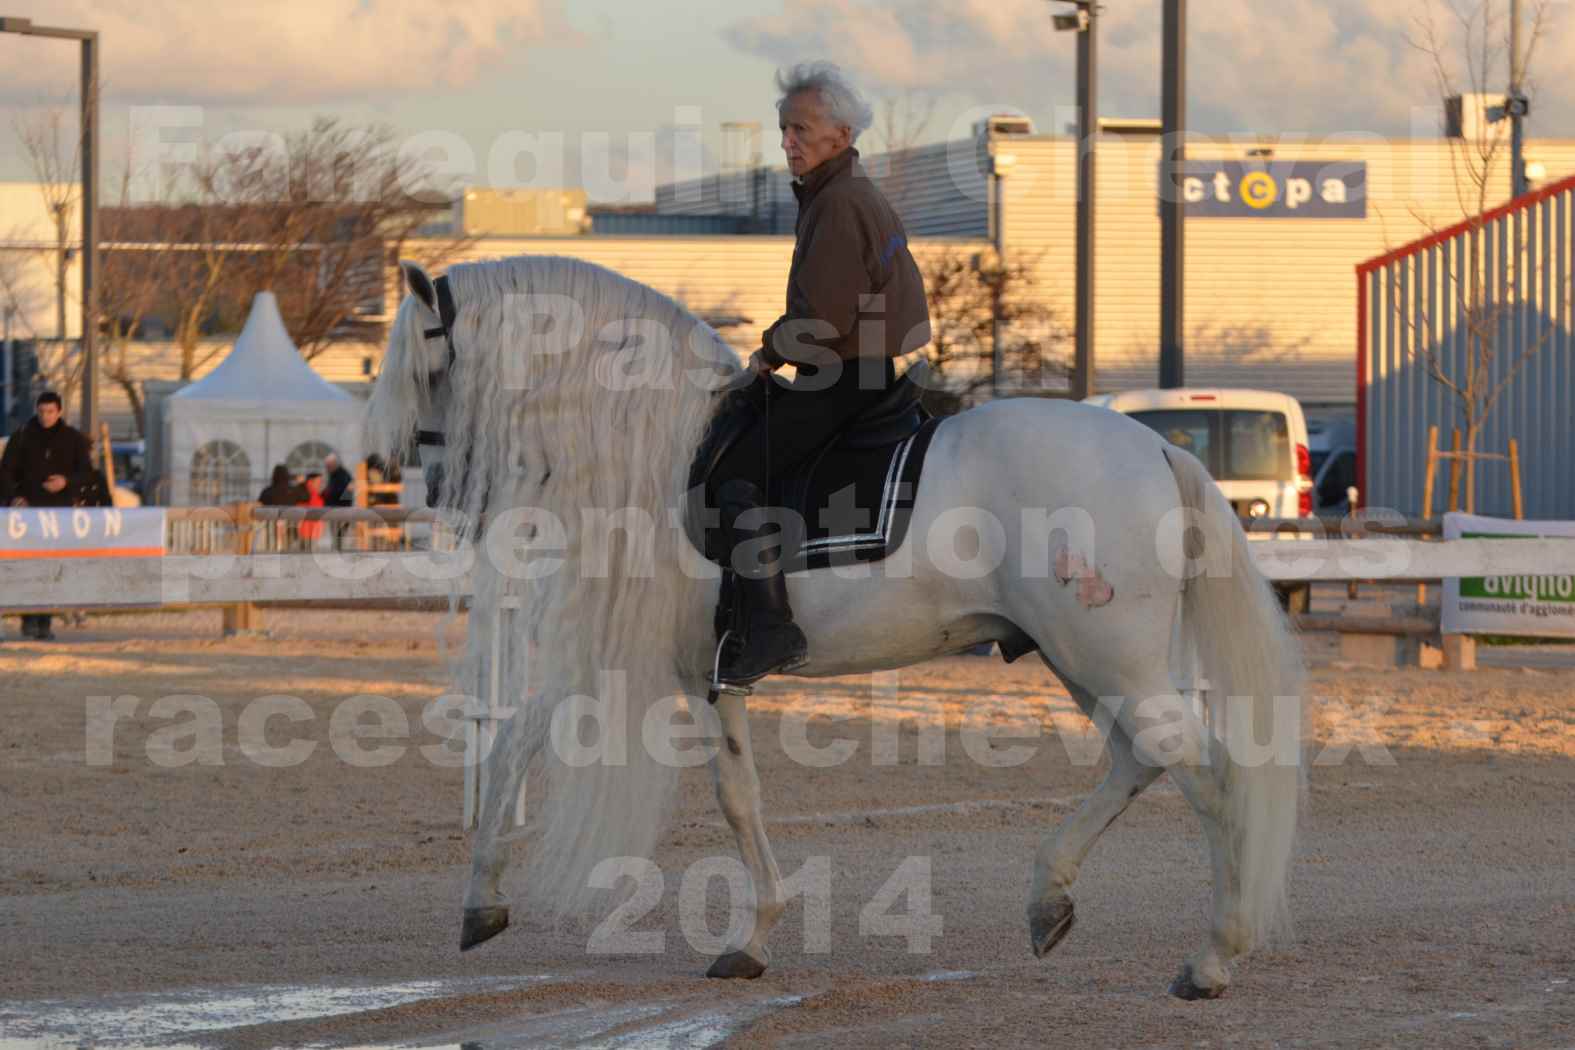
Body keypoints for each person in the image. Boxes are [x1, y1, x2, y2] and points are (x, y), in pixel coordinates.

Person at [710, 62, 931, 684]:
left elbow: (825, 317)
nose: (788, 141)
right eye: (783, 129)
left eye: (800, 129)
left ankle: (773, 629)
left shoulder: (838, 202)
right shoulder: (846, 193)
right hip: (861, 370)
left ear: (840, 133)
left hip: (843, 378)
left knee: (735, 477)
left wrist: (768, 351)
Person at [0, 391, 94, 640]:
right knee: (28, 567)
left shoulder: (73, 439)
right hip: (27, 512)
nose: (45, 416)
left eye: (50, 411)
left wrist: (66, 482)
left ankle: (45, 621)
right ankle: (29, 619)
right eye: (41, 411)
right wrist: (13, 497)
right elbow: (6, 471)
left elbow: (86, 473)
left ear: (59, 411)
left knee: (51, 568)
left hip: (59, 512)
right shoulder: (22, 436)